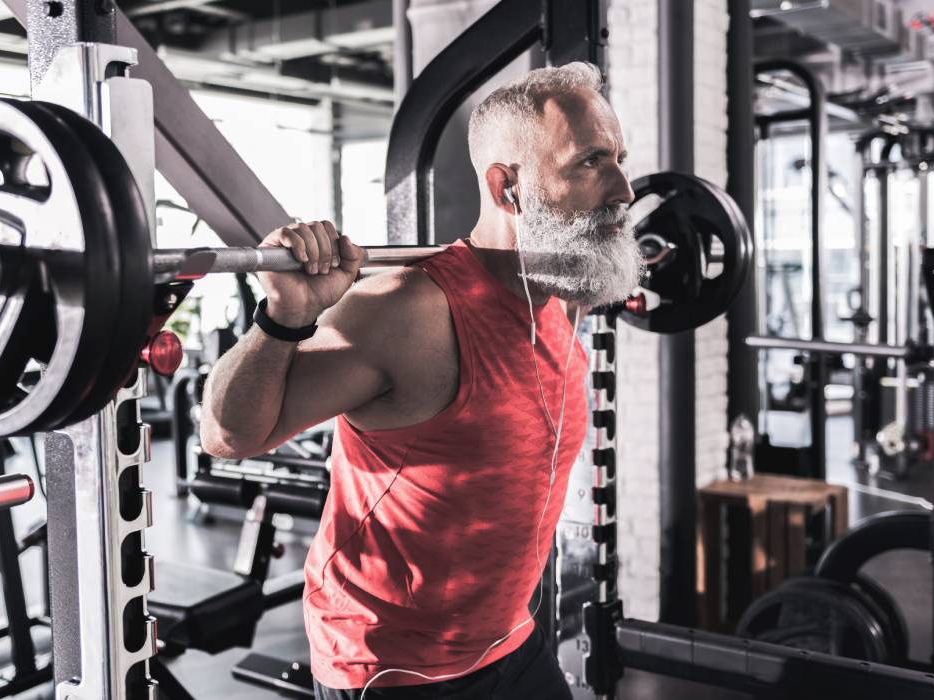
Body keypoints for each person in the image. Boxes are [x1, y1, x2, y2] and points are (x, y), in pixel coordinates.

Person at [199, 61, 642, 700]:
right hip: (395, 670)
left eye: (619, 159)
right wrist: (286, 315)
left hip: (511, 642)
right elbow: (226, 434)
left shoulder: (557, 293)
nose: (624, 188)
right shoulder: (407, 314)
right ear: (507, 187)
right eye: (590, 163)